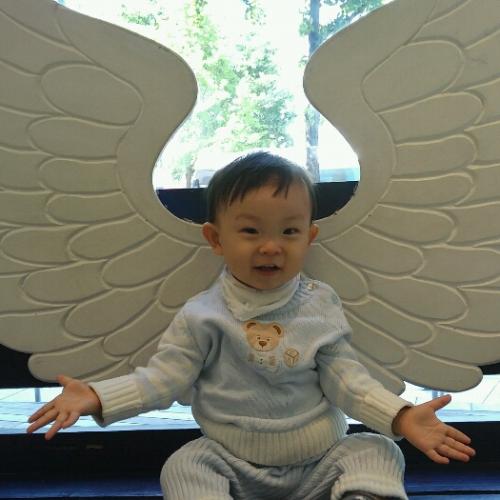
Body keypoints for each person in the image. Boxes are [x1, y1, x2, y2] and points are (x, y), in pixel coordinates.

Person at [27, 152, 475, 500]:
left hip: (321, 462)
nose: (271, 247)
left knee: (377, 450)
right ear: (216, 239)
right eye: (250, 231)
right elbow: (163, 380)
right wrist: (98, 395)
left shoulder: (319, 304)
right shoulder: (202, 315)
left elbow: (347, 381)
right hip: (232, 464)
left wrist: (400, 415)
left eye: (289, 232)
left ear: (309, 238)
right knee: (184, 465)